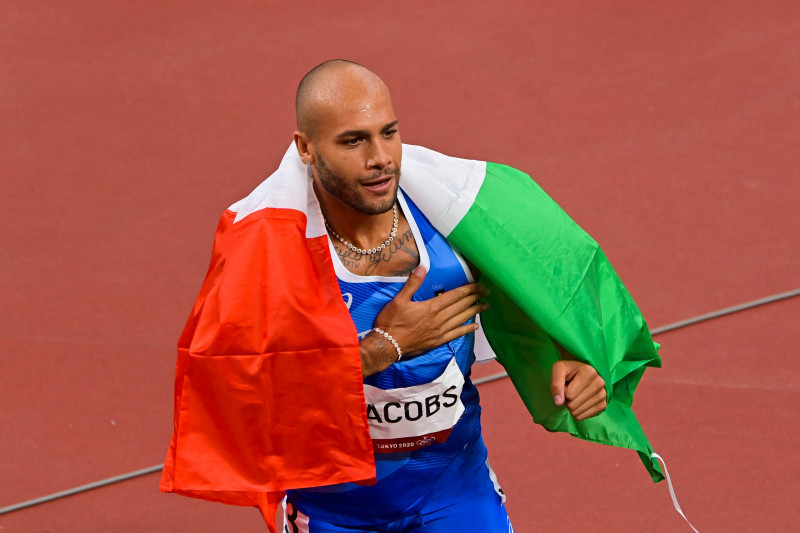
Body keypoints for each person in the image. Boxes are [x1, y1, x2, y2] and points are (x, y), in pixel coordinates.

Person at [160, 60, 661, 533]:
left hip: (454, 492)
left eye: (389, 132)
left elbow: (545, 291)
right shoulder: (270, 260)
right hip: (333, 509)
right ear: (306, 149)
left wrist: (570, 359)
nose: (380, 158)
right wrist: (381, 350)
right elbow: (238, 400)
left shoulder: (455, 225)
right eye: (353, 141)